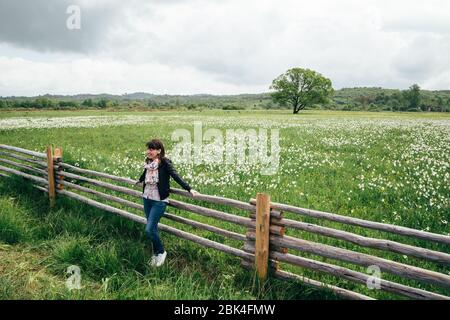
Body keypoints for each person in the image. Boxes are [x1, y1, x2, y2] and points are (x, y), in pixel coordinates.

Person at [135, 139, 199, 267]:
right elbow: (145, 173)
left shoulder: (165, 163)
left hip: (159, 201)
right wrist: (139, 180)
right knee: (152, 228)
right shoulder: (148, 162)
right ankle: (156, 254)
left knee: (149, 230)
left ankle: (162, 252)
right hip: (147, 198)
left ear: (159, 151)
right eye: (148, 149)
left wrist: (189, 188)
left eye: (152, 149)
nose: (149, 151)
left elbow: (176, 175)